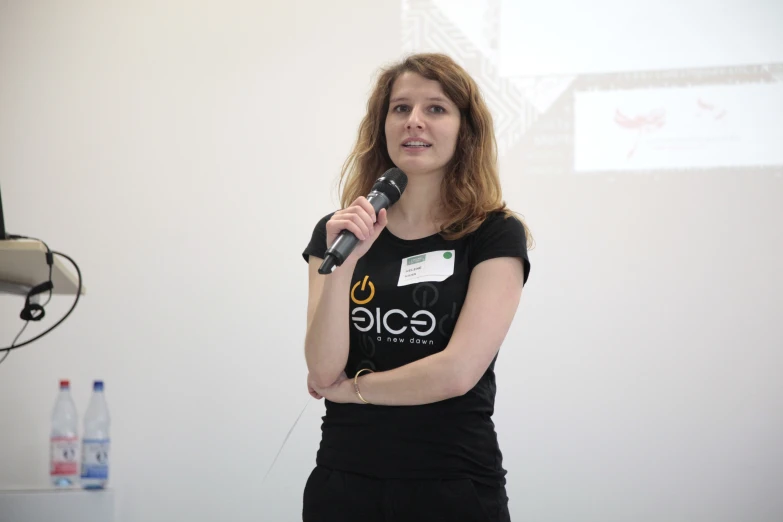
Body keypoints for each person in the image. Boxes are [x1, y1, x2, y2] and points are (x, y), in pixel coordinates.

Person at [301, 53, 532, 522]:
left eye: (436, 109)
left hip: (451, 486)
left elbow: (456, 373)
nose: (414, 122)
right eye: (400, 108)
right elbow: (323, 368)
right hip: (344, 484)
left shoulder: (493, 234)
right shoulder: (338, 232)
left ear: (464, 130)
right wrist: (344, 264)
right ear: (382, 125)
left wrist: (353, 390)